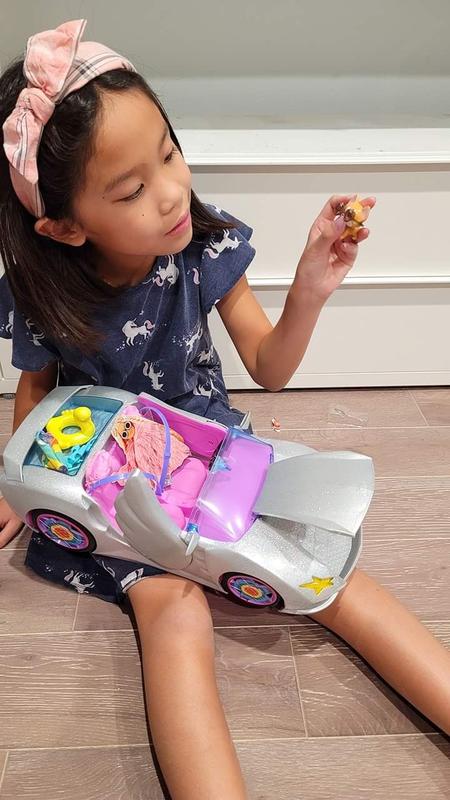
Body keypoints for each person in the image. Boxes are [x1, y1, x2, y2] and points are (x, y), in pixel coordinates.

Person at [0, 19, 448, 800]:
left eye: (169, 152)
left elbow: (271, 368)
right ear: (65, 227)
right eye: (132, 189)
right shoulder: (47, 291)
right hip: (117, 486)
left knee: (328, 577)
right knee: (174, 615)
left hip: (217, 451)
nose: (172, 190)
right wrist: (18, 480)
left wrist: (308, 291)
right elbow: (38, 391)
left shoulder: (205, 247)